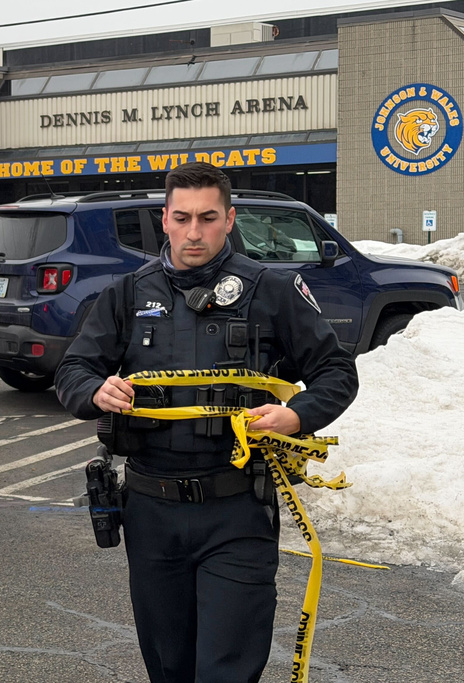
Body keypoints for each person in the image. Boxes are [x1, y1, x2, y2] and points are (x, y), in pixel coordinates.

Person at [55, 162, 358, 683]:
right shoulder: (127, 294)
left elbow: (336, 371)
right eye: (182, 217)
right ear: (165, 219)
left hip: (236, 509)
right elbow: (73, 369)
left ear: (230, 219)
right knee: (169, 667)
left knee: (226, 670)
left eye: (208, 217)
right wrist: (93, 390)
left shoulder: (271, 290)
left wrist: (295, 415)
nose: (194, 231)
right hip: (152, 513)